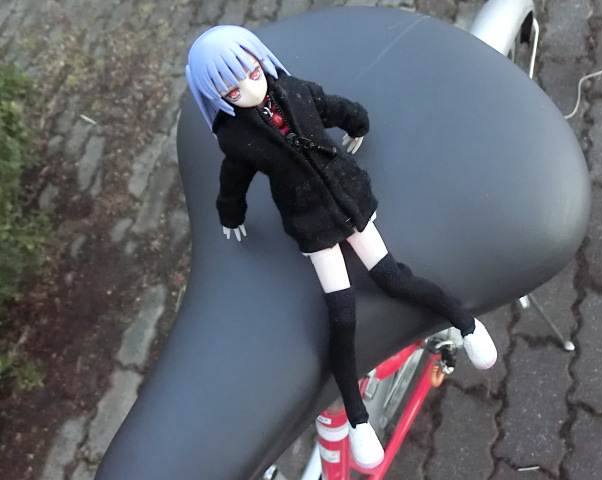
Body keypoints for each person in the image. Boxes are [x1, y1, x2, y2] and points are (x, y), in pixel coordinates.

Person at [186, 24, 497, 469]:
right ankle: (357, 419)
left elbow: (334, 107)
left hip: (349, 198)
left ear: (261, 61)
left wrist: (358, 123)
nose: (251, 90)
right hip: (309, 221)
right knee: (341, 313)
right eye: (233, 91)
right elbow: (233, 180)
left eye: (253, 74)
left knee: (393, 278)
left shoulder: (295, 91)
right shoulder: (236, 138)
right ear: (218, 98)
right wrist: (229, 213)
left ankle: (466, 325)